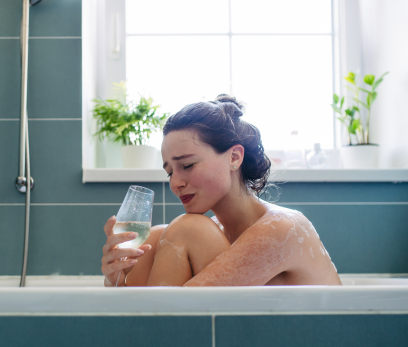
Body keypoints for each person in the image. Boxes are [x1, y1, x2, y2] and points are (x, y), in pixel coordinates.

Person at [101, 95, 341, 287]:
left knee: (187, 229)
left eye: (187, 165)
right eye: (170, 172)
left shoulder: (283, 227)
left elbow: (172, 316)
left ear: (234, 157)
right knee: (154, 237)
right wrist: (117, 278)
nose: (175, 184)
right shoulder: (215, 232)